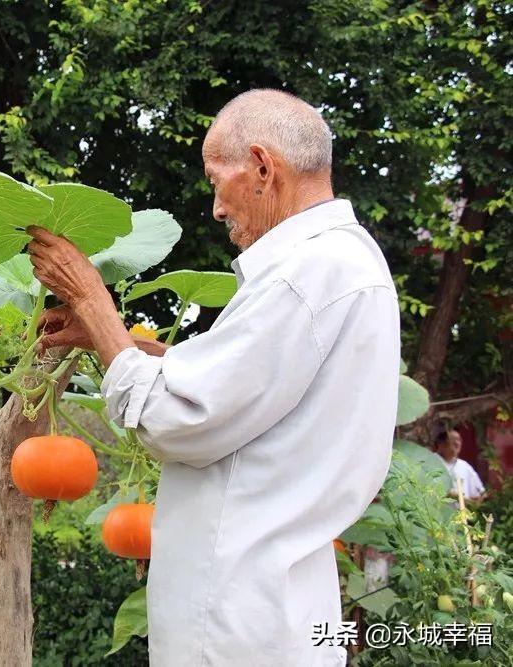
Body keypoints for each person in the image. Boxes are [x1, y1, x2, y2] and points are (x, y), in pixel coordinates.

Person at [25, 89, 400, 666]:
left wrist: (91, 298)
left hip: (235, 623)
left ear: (263, 168)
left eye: (215, 180)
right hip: (276, 608)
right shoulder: (342, 261)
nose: (217, 208)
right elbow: (244, 391)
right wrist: (111, 338)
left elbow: (176, 420)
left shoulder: (303, 275)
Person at [433, 428, 486, 502]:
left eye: (459, 440)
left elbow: (480, 494)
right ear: (440, 443)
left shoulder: (464, 466)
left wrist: (468, 502)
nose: (457, 443)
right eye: (452, 440)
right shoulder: (428, 462)